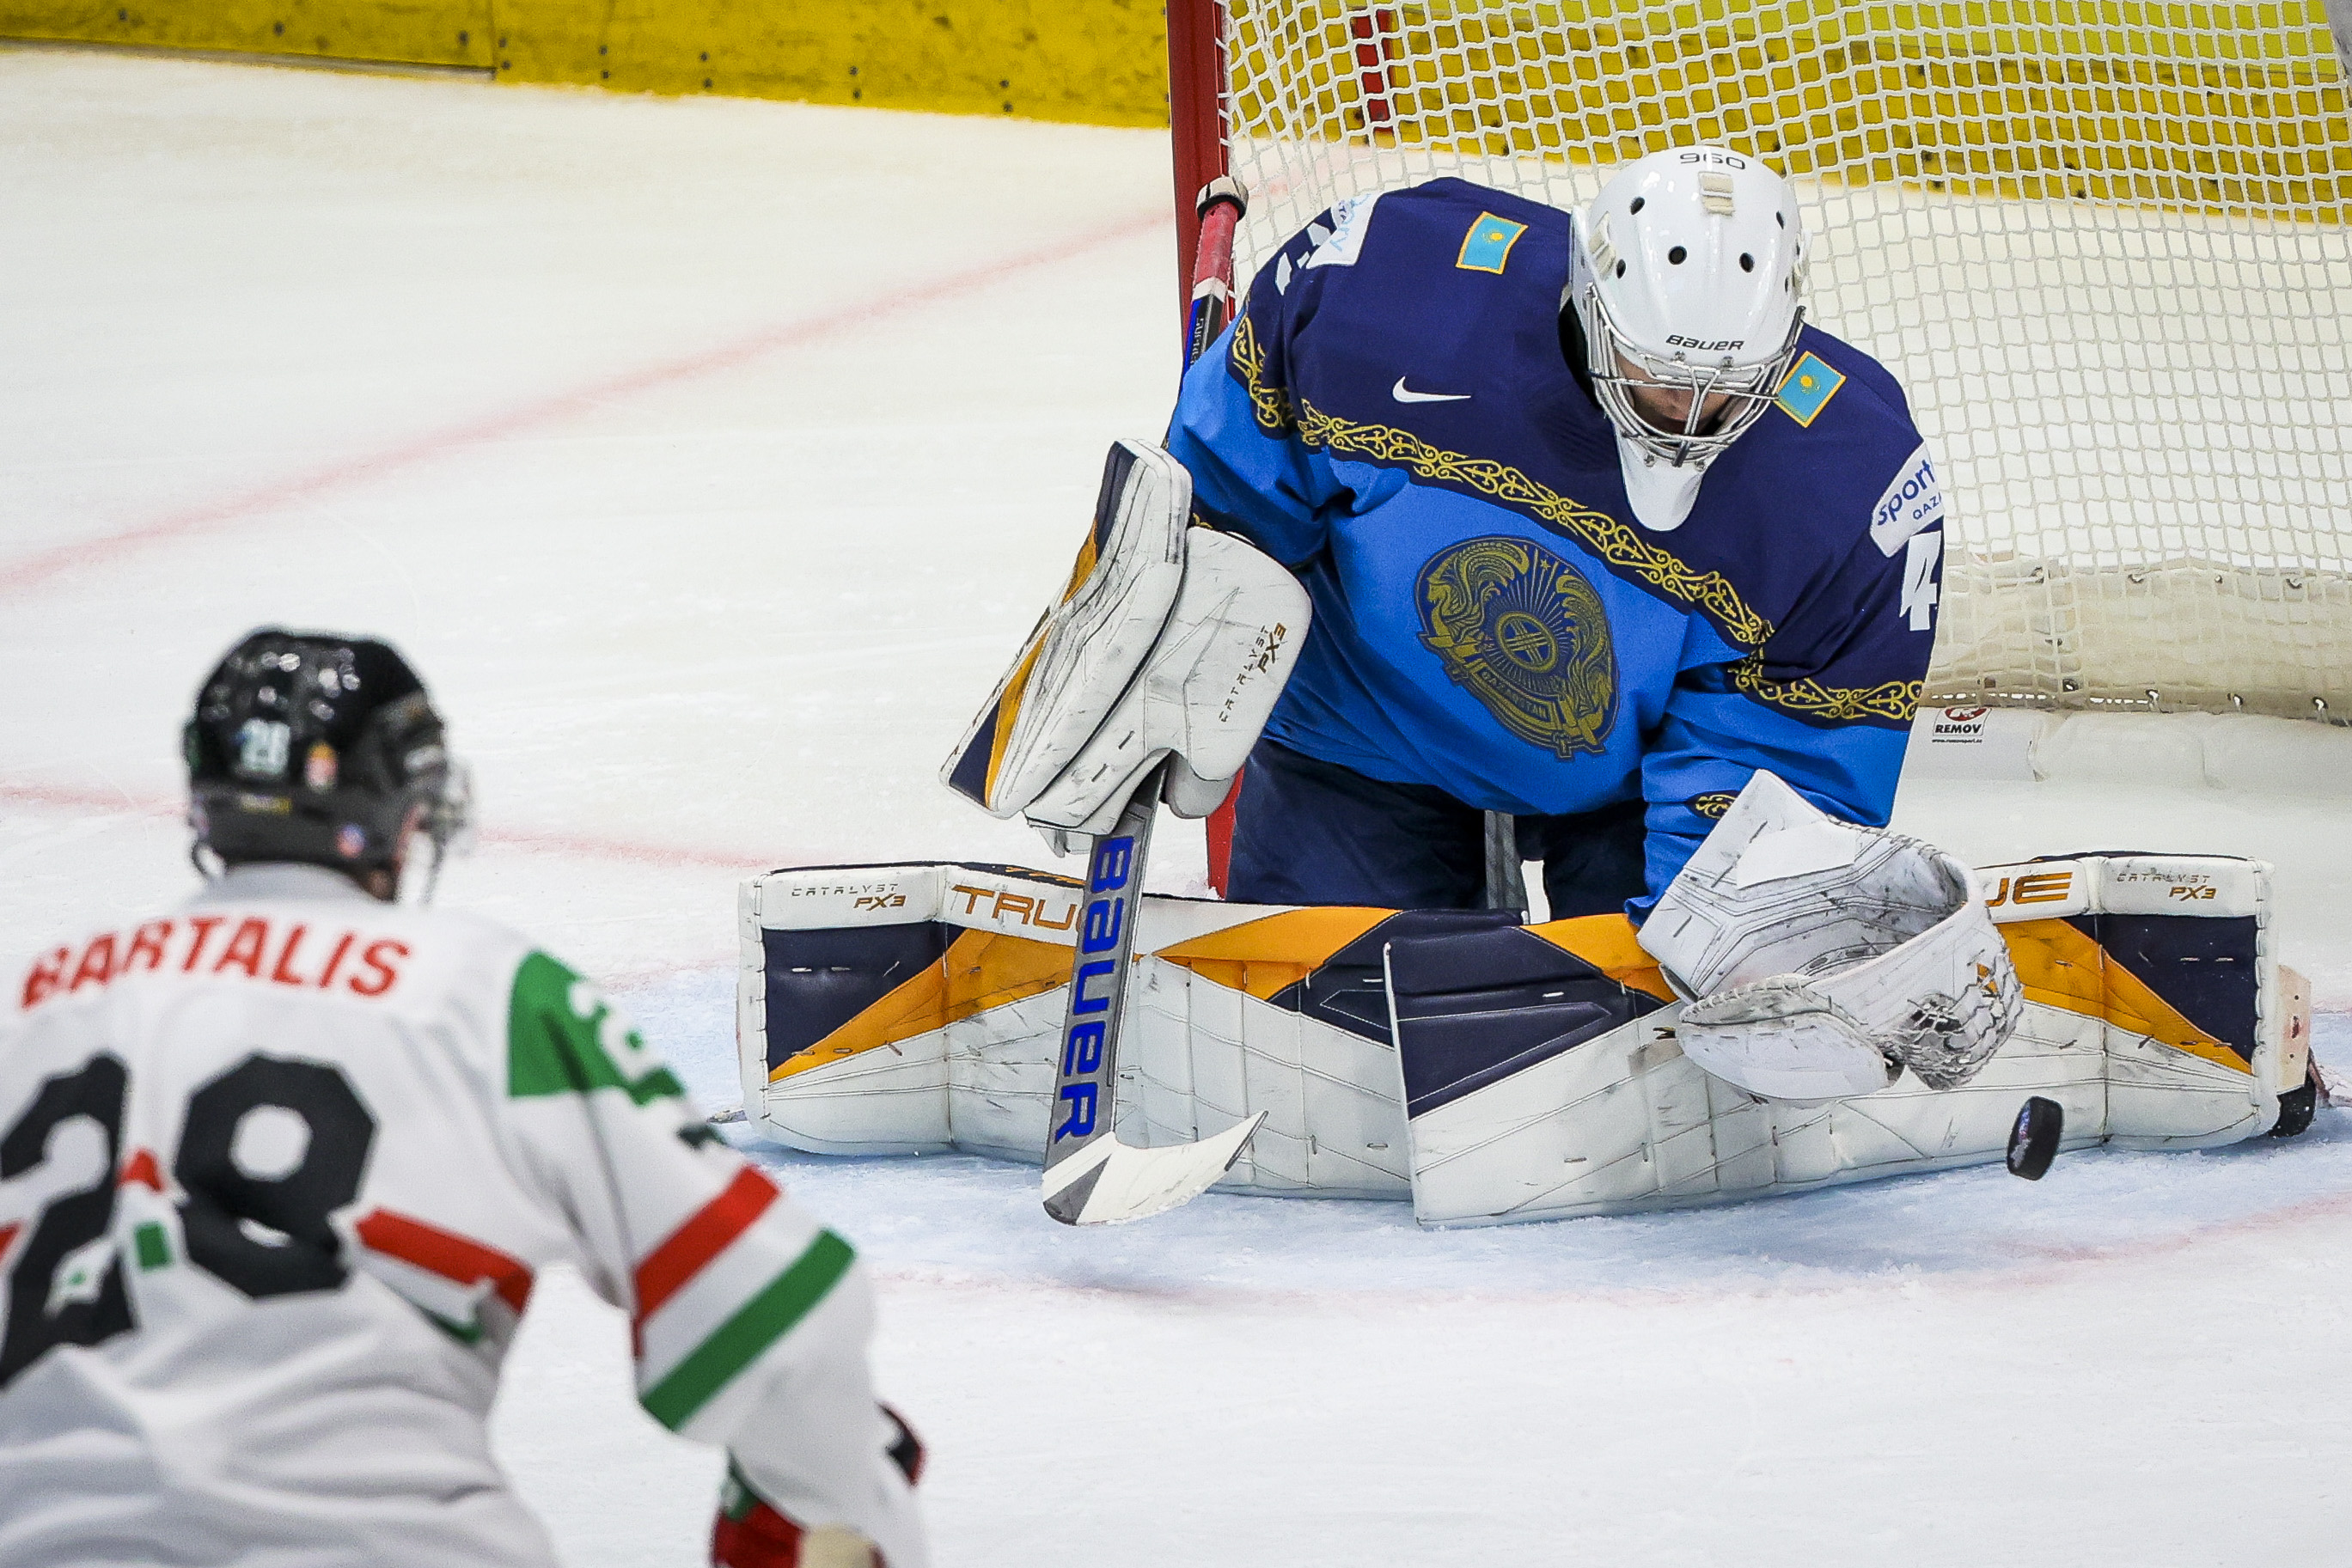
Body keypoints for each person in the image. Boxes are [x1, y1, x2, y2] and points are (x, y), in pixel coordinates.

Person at [0, 629, 926, 1568]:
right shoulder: (477, 997)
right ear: (403, 810)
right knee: (851, 1473)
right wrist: (831, 1508)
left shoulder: (37, 1005)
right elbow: (784, 1325)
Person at [1166, 144, 1946, 918]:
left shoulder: (1855, 481)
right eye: (1656, 370)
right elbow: (1226, 503)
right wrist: (1182, 654)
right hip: (1363, 730)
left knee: (1675, 983)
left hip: (1640, 789)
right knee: (1332, 996)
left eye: (1727, 384)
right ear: (1590, 303)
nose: (1686, 410)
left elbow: (1780, 757)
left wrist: (1707, 924)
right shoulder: (1379, 286)